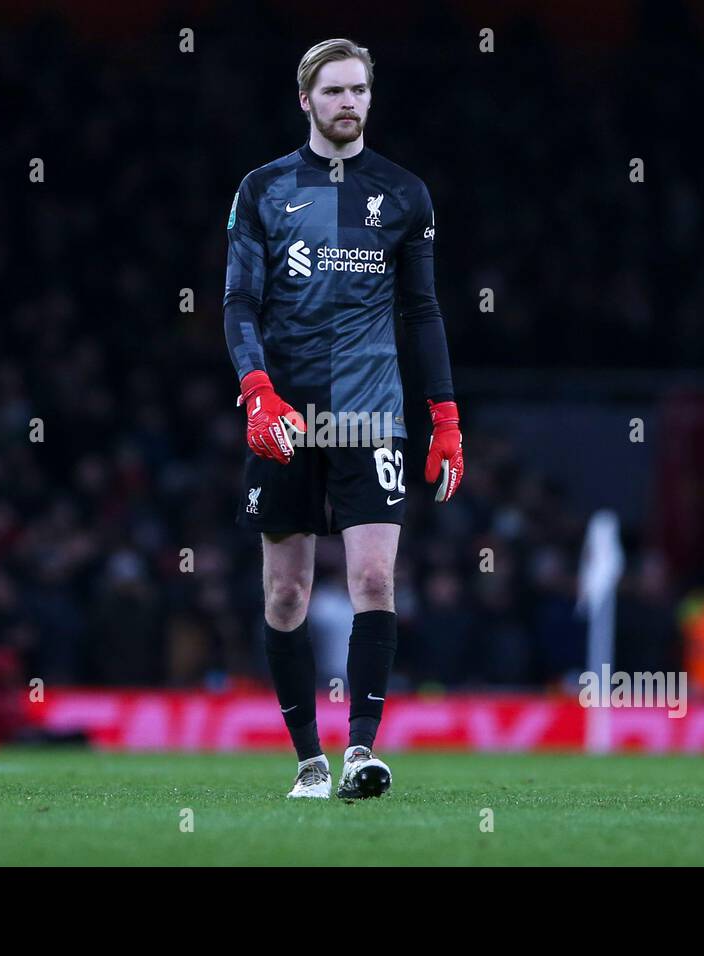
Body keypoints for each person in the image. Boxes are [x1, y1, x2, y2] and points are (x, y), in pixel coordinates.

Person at [222, 38, 463, 798]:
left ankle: (361, 752)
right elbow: (238, 302)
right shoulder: (262, 189)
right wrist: (257, 388)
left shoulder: (405, 194)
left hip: (371, 411)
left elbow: (421, 310)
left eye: (359, 90)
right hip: (287, 417)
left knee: (372, 579)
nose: (349, 103)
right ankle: (309, 761)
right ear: (306, 99)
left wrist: (446, 415)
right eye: (333, 92)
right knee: (286, 593)